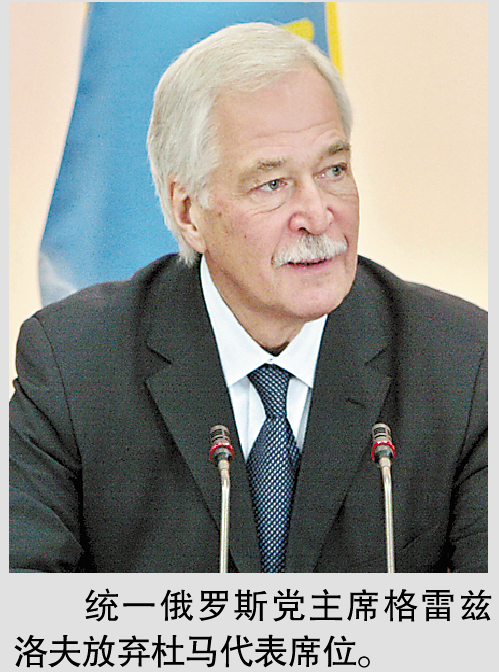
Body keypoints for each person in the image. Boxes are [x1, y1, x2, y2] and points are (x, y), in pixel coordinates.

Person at [10, 22, 487, 573]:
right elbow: (25, 606)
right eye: (272, 184)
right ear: (189, 213)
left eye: (333, 170)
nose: (318, 215)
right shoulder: (74, 367)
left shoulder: (460, 363)